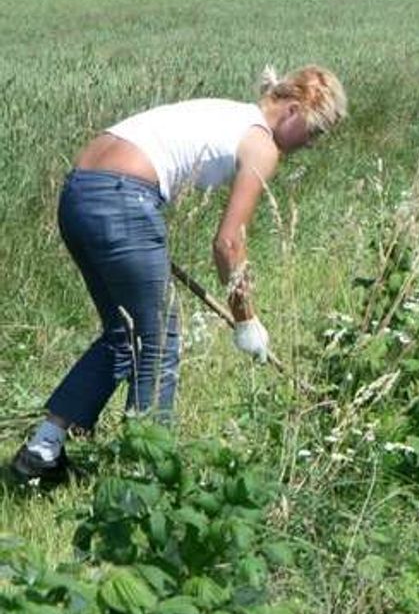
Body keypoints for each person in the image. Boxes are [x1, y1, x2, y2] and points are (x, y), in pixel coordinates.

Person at [11, 65, 347, 484]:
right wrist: (246, 320)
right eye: (314, 134)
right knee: (158, 341)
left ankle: (41, 452)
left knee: (124, 332)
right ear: (294, 110)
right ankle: (144, 476)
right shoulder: (262, 144)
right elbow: (228, 244)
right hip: (123, 199)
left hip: (80, 192)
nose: (311, 146)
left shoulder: (229, 112)